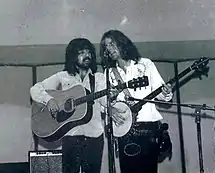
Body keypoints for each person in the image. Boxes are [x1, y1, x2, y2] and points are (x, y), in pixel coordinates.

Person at [30, 38, 120, 173]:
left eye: (89, 52)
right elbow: (35, 89)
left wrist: (112, 95)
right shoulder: (62, 77)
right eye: (82, 52)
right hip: (70, 137)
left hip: (94, 137)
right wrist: (49, 100)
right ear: (73, 56)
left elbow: (104, 103)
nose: (87, 55)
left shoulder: (99, 78)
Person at [100, 30, 173, 173]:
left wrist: (166, 92)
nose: (109, 49)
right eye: (106, 46)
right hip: (125, 131)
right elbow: (103, 104)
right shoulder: (108, 72)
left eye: (112, 44)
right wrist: (110, 107)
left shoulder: (145, 64)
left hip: (148, 128)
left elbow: (163, 95)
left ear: (122, 43)